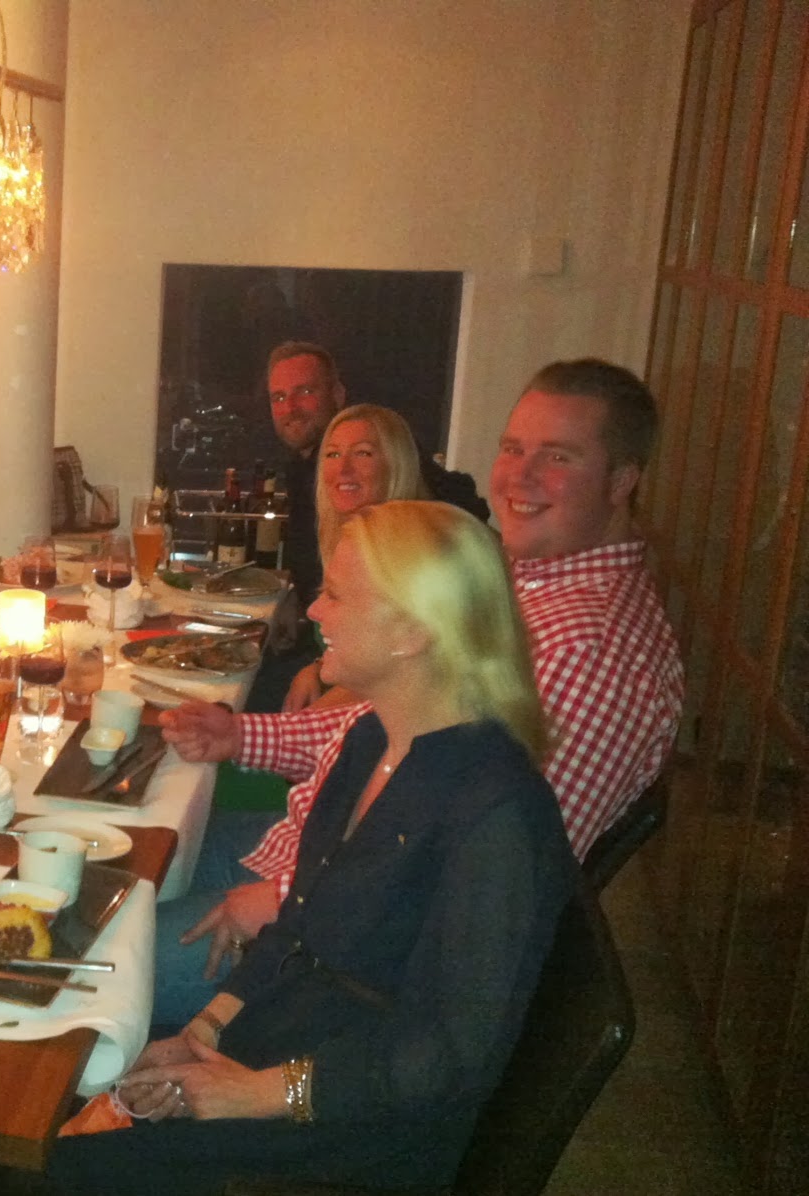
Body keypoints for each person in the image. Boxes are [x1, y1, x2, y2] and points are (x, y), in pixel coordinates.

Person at [0, 502, 577, 1194]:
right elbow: (297, 927)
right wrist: (207, 1026)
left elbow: (448, 1056)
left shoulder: (496, 814)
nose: (313, 611)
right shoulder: (372, 741)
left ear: (411, 632)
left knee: (6, 1159)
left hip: (353, 1127)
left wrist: (255, 1093)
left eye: (337, 595)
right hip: (289, 1039)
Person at [156, 358, 683, 1026]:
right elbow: (387, 730)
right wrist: (240, 735)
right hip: (310, 850)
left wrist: (282, 903)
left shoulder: (586, 653)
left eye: (558, 457)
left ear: (623, 480)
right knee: (129, 854)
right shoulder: (525, 582)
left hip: (330, 953)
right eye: (513, 448)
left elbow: (473, 882)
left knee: (80, 966)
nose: (518, 476)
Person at [248, 343, 488, 712]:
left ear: (337, 394)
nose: (290, 407)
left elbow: (402, 667)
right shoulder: (315, 488)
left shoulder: (410, 543)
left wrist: (315, 680)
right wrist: (295, 604)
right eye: (278, 397)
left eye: (305, 391)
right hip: (329, 652)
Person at [284, 403, 428, 712]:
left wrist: (297, 725)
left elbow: (394, 674)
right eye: (333, 454)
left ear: (395, 464)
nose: (343, 469)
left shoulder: (412, 552)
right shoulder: (348, 537)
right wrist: (317, 667)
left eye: (363, 453)